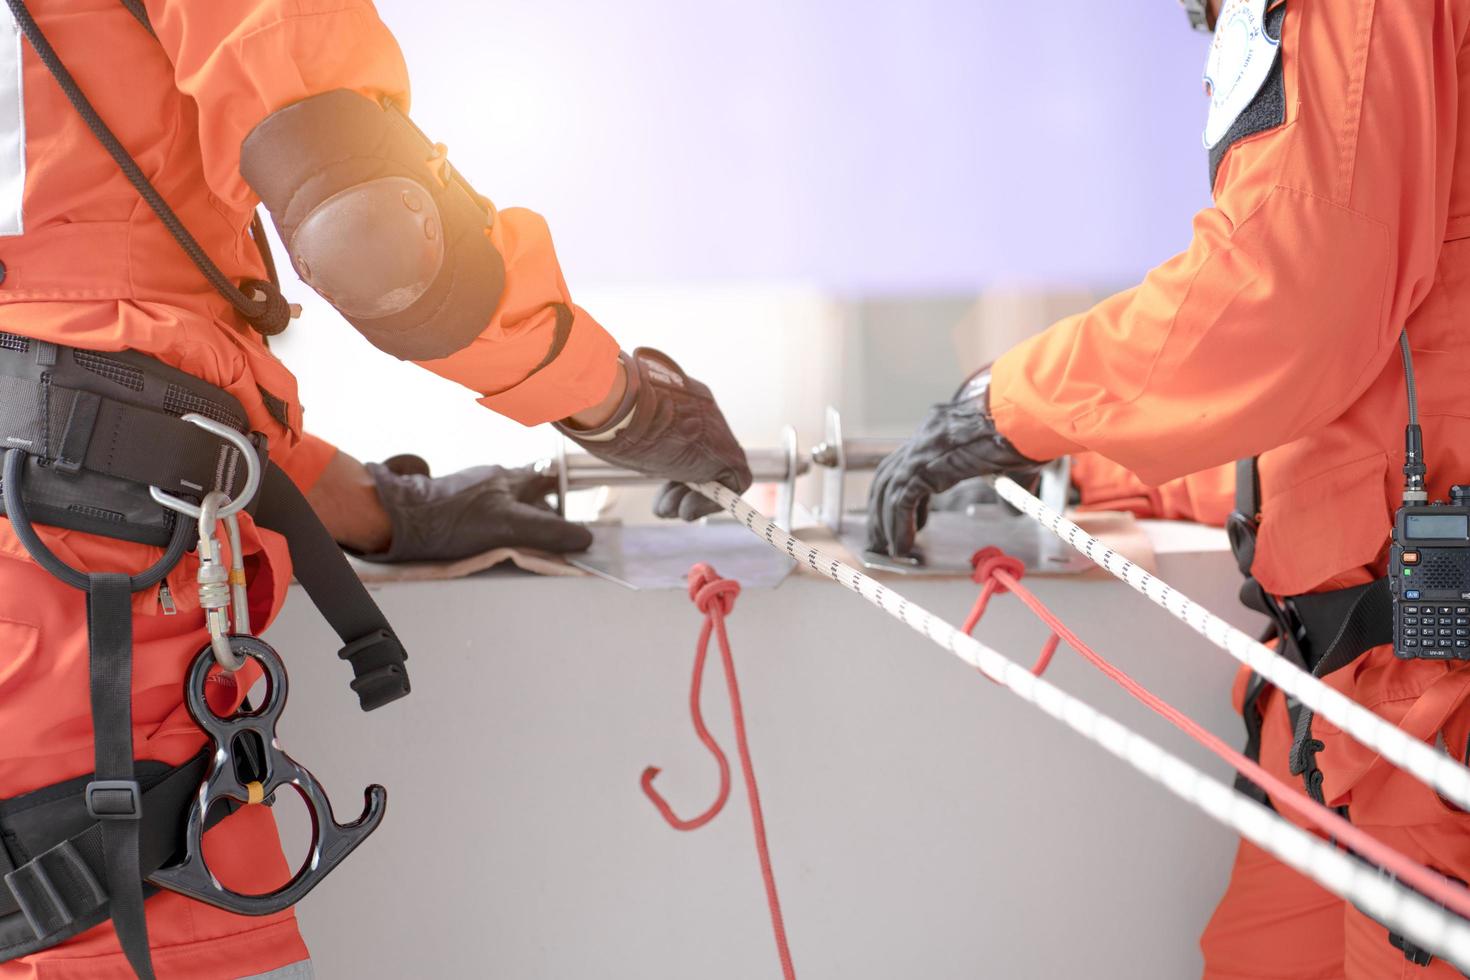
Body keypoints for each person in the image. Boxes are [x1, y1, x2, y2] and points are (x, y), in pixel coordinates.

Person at [0, 0, 750, 977]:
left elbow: (85, 360)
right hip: (71, 620)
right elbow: (375, 237)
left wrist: (374, 509)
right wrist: (624, 404)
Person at [869, 0, 1470, 975]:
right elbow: (1348, 401)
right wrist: (1076, 463)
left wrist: (1012, 407)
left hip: (1424, 713)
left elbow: (1292, 298)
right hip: (1348, 712)